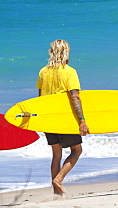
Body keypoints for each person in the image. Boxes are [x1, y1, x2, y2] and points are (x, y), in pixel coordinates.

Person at [36, 39, 89, 196]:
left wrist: (40, 119)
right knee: (77, 150)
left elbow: (39, 99)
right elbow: (75, 97)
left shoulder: (43, 72)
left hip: (48, 119)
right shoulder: (69, 71)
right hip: (64, 118)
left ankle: (56, 193)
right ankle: (58, 180)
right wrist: (82, 121)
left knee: (56, 154)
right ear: (66, 52)